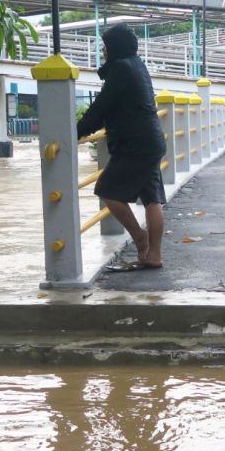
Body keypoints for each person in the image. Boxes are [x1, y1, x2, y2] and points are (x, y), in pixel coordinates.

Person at [76, 24, 166, 269]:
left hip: (134, 144)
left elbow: (101, 108)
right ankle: (153, 256)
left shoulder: (120, 68)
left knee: (106, 190)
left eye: (105, 47)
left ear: (114, 47)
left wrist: (76, 132)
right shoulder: (137, 64)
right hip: (151, 140)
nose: (103, 52)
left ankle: (139, 237)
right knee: (151, 198)